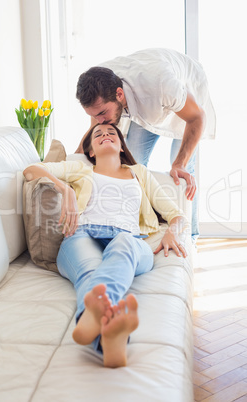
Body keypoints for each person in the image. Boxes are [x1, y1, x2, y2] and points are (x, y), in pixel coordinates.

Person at [23, 123, 188, 368]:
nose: (106, 135)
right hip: (82, 235)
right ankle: (110, 341)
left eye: (112, 133)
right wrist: (62, 186)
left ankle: (92, 319)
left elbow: (176, 214)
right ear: (90, 151)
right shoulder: (80, 169)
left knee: (122, 246)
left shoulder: (139, 173)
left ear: (122, 146)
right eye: (98, 134)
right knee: (90, 271)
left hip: (129, 239)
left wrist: (170, 233)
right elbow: (31, 170)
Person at [75, 48, 216, 243]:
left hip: (184, 92)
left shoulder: (162, 86)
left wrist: (180, 163)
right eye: (94, 115)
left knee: (181, 172)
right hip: (143, 98)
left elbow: (197, 117)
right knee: (132, 165)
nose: (100, 121)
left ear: (119, 94)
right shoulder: (100, 92)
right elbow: (91, 137)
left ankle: (189, 239)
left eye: (102, 113)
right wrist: (73, 161)